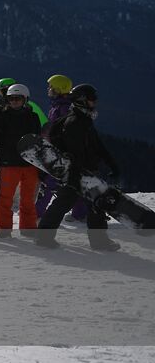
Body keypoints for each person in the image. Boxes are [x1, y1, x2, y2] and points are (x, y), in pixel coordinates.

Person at [37, 84, 121, 250]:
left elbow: (97, 145)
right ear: (82, 100)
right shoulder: (75, 122)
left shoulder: (83, 119)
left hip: (82, 172)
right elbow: (76, 152)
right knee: (78, 203)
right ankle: (99, 242)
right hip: (79, 172)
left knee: (82, 204)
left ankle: (44, 238)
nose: (94, 103)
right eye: (91, 99)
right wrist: (78, 175)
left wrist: (112, 163)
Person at [0, 84, 44, 235]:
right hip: (9, 163)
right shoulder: (2, 116)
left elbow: (37, 141)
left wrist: (41, 166)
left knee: (28, 200)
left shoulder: (33, 117)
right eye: (11, 99)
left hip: (29, 164)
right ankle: (4, 230)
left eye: (17, 99)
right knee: (6, 199)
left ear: (25, 99)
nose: (14, 102)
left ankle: (28, 228)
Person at [36, 74, 81, 221]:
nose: (48, 89)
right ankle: (80, 213)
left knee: (50, 182)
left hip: (59, 151)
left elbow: (61, 130)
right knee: (74, 183)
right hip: (63, 150)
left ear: (58, 89)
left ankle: (37, 212)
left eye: (51, 87)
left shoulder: (63, 108)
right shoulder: (61, 106)